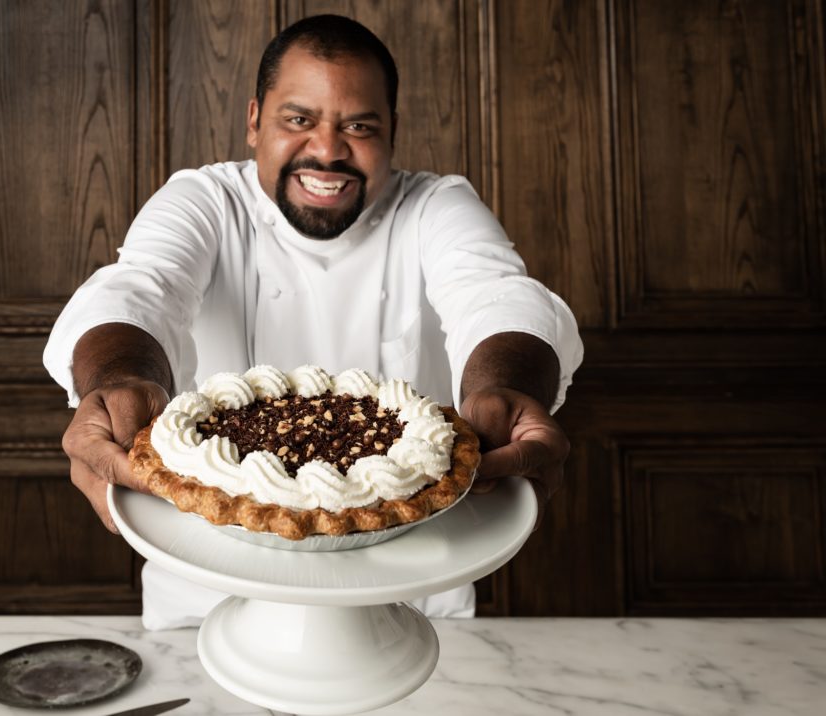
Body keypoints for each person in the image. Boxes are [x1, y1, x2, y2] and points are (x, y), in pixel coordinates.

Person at [45, 15, 583, 629]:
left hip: (409, 593)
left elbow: (495, 295)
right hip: (208, 585)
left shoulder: (436, 206)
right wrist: (116, 379)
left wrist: (507, 387)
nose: (327, 150)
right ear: (254, 120)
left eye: (359, 126)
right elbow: (142, 287)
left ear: (393, 130)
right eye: (299, 120)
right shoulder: (206, 201)